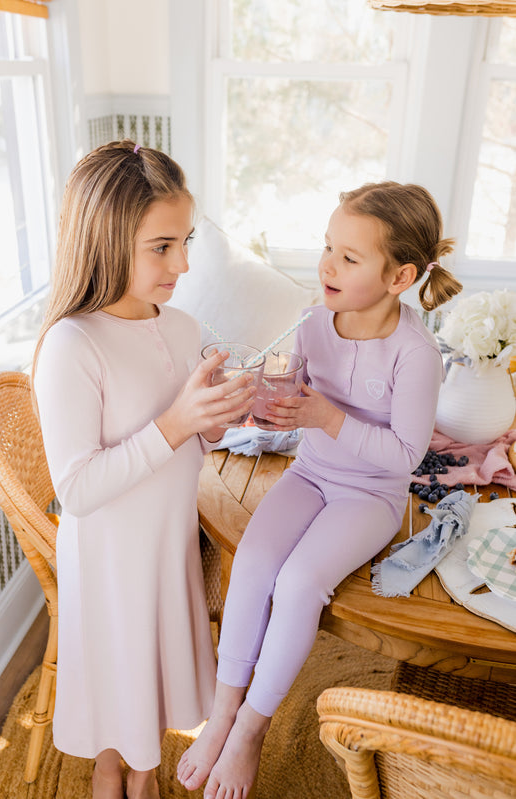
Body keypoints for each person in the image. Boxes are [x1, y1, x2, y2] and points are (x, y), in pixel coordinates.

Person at [177, 181, 463, 799]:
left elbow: (407, 456)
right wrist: (263, 408)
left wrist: (325, 418)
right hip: (311, 474)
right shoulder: (311, 322)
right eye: (328, 246)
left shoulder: (416, 354)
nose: (327, 264)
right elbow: (296, 395)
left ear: (399, 276)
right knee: (250, 562)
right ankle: (223, 713)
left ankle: (252, 728)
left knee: (299, 583)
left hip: (373, 496)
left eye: (349, 257)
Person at [32, 140, 257, 799]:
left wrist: (220, 415)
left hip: (167, 543)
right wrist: (179, 421)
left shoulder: (182, 326)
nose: (183, 263)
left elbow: (189, 440)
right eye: (162, 246)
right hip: (110, 557)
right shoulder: (72, 344)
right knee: (119, 672)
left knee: (153, 675)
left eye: (184, 241)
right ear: (104, 240)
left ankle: (143, 764)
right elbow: (77, 489)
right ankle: (113, 767)